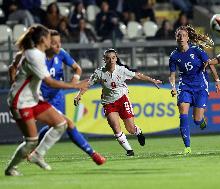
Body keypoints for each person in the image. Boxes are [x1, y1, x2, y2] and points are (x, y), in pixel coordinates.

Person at [4, 24, 89, 176]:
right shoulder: (34, 56)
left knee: (61, 124)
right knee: (31, 141)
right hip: (21, 102)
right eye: (50, 38)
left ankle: (37, 155)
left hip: (34, 99)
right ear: (43, 39)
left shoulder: (34, 53)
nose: (53, 41)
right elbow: (50, 82)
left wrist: (14, 81)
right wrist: (74, 85)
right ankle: (11, 168)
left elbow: (13, 66)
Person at [27, 29, 105, 170]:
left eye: (59, 42)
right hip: (42, 98)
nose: (57, 46)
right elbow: (49, 82)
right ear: (46, 43)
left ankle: (32, 150)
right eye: (54, 43)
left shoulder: (61, 53)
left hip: (58, 97)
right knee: (68, 124)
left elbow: (77, 68)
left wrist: (75, 78)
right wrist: (73, 86)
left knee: (56, 125)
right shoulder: (38, 58)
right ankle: (93, 154)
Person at [74, 48, 162, 156]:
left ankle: (138, 132)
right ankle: (129, 150)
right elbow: (88, 84)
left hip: (122, 99)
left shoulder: (122, 70)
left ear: (116, 59)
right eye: (108, 58)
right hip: (108, 103)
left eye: (113, 58)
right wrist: (79, 95)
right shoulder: (99, 73)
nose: (111, 60)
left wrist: (152, 80)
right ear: (104, 60)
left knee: (130, 129)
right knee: (115, 127)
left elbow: (138, 75)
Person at [169, 25, 220, 155]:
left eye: (183, 35)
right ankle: (187, 147)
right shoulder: (174, 56)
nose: (181, 38)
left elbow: (209, 64)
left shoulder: (197, 50)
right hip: (185, 86)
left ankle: (201, 119)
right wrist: (173, 87)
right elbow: (172, 74)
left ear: (188, 38)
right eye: (179, 35)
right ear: (176, 38)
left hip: (200, 87)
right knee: (183, 113)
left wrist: (217, 80)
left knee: (197, 120)